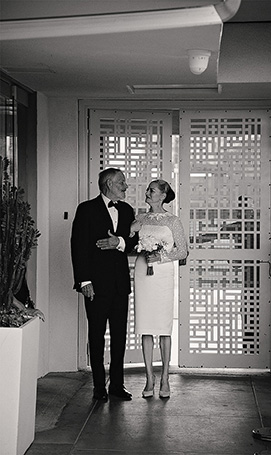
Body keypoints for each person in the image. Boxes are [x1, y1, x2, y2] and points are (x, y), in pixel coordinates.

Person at [71, 168, 138, 401]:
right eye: (122, 182)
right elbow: (78, 246)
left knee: (120, 337)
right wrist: (84, 281)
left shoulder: (127, 210)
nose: (125, 186)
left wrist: (118, 241)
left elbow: (133, 243)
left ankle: (117, 386)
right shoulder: (86, 209)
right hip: (95, 285)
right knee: (97, 335)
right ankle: (99, 387)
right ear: (108, 184)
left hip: (120, 285)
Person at [130, 179, 188, 399]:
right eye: (148, 189)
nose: (147, 192)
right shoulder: (140, 218)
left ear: (163, 195)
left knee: (163, 328)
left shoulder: (173, 221)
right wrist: (131, 231)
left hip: (162, 275)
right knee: (145, 326)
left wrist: (160, 256)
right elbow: (128, 241)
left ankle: (164, 378)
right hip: (143, 273)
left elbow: (182, 251)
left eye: (152, 190)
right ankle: (148, 378)